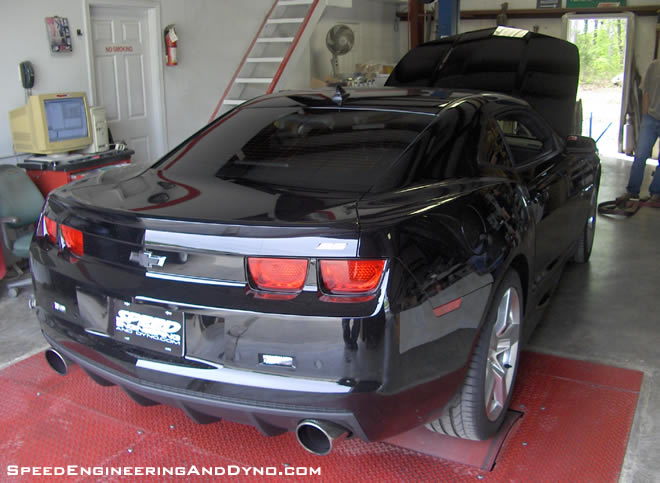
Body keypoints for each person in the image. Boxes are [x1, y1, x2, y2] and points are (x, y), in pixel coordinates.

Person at [619, 59, 660, 203]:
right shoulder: (654, 66)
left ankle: (656, 194)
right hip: (650, 119)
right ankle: (632, 191)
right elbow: (646, 91)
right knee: (640, 156)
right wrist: (645, 115)